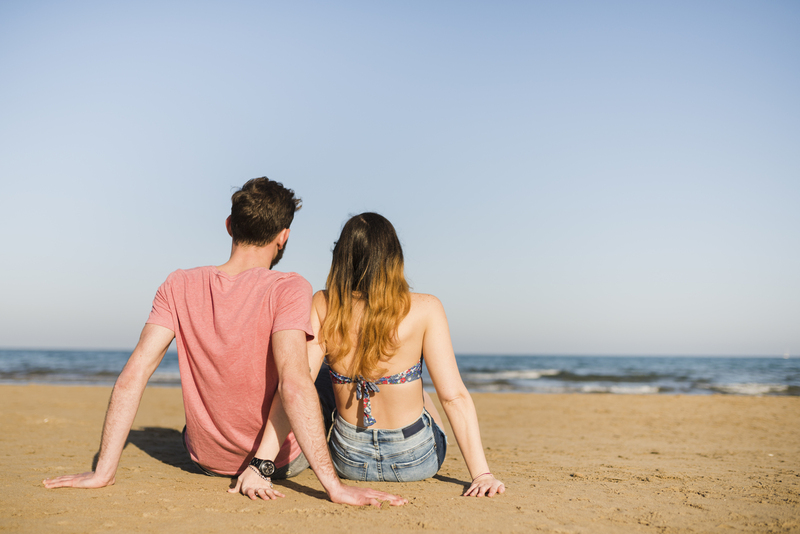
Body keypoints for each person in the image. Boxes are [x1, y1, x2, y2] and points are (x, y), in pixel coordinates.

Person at [43, 179, 406, 507]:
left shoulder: (178, 284)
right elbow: (294, 383)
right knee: (323, 372)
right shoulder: (288, 287)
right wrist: (334, 487)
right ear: (284, 236)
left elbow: (135, 372)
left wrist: (102, 471)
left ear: (230, 226)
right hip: (278, 463)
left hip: (205, 460)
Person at [307, 212, 505, 497]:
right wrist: (482, 474)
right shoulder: (426, 308)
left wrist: (259, 466)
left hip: (348, 459)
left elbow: (297, 386)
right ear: (394, 257)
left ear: (342, 256)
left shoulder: (324, 303)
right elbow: (453, 397)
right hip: (415, 460)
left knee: (322, 380)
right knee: (421, 391)